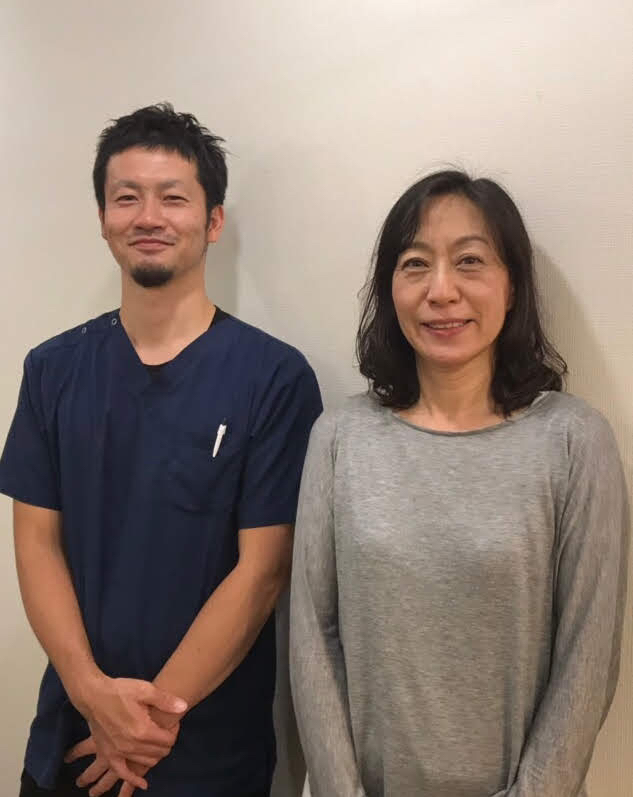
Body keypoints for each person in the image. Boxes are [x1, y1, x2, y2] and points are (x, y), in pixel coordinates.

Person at [0, 103, 322, 797]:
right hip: (72, 739)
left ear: (213, 221)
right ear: (102, 218)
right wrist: (92, 693)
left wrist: (146, 724)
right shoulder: (52, 370)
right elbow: (36, 544)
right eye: (127, 198)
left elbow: (263, 570)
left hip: (205, 755)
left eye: (173, 198)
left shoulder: (273, 378)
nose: (148, 216)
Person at [289, 170, 629, 797]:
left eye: (470, 261)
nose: (441, 291)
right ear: (390, 288)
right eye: (415, 264)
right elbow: (313, 636)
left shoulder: (575, 441)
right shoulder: (340, 437)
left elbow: (588, 653)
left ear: (513, 284)